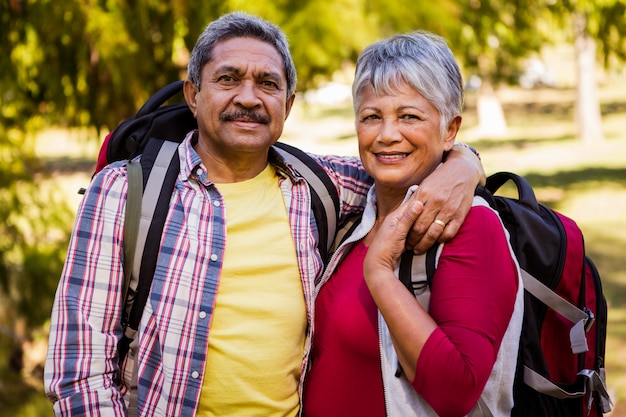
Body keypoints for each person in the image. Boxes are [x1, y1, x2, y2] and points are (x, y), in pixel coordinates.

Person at [44, 12, 484, 417]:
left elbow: (404, 160)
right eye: (228, 79)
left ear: (288, 106)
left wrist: (463, 161)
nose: (249, 98)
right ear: (194, 95)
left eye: (268, 84)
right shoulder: (125, 192)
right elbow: (79, 374)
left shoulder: (320, 185)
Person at [302, 31, 524, 417]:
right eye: (372, 117)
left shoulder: (470, 227)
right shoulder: (351, 209)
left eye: (409, 116)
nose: (387, 135)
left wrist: (381, 274)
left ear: (450, 129)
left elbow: (457, 392)